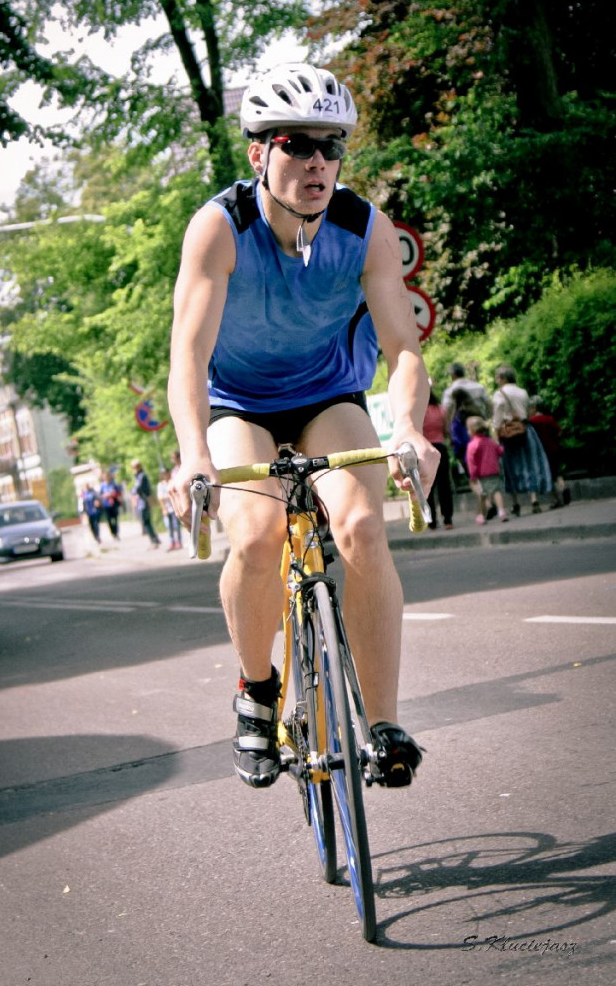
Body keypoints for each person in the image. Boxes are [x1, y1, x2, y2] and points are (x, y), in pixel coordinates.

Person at [167, 62, 439, 791]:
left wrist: (410, 428)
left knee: (362, 527)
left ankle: (381, 723)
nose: (317, 161)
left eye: (332, 145)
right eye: (297, 143)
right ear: (260, 152)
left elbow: (403, 348)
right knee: (254, 537)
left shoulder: (365, 228)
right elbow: (188, 360)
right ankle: (257, 692)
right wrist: (192, 454)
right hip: (240, 404)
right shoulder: (220, 229)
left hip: (327, 395)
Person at [492, 365, 552, 515]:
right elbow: (525, 410)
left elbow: (498, 414)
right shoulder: (522, 391)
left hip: (509, 432)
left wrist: (496, 431)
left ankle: (515, 503)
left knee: (511, 467)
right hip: (525, 429)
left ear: (503, 378)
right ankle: (534, 499)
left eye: (498, 377)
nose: (496, 380)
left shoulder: (499, 394)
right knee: (530, 464)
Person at [528, 396, 571, 509]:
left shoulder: (531, 421)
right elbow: (559, 432)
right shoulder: (549, 419)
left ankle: (556, 500)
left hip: (541, 452)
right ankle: (564, 486)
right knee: (556, 473)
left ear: (534, 407)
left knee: (547, 476)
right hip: (554, 449)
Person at [465, 416, 509, 523]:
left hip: (481, 474)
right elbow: (500, 452)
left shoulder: (472, 445)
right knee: (496, 492)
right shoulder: (490, 441)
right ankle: (502, 511)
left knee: (482, 495)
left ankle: (482, 516)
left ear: (471, 430)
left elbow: (471, 462)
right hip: (494, 471)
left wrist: (473, 476)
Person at [423, 387, 454, 530]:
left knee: (427, 486)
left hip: (424, 450)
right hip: (440, 449)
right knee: (444, 486)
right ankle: (448, 519)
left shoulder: (419, 412)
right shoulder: (442, 410)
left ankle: (431, 521)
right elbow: (447, 432)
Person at [449, 387, 481, 476]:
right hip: (480, 447)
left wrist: (456, 451)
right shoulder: (476, 411)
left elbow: (456, 435)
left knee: (473, 477)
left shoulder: (458, 416)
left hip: (465, 451)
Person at [131, 459, 160, 548]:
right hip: (141, 502)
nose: (134, 469)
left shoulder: (141, 476)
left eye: (136, 467)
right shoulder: (138, 476)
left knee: (146, 522)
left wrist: (133, 491)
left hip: (144, 502)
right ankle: (154, 539)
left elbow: (138, 488)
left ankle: (154, 540)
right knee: (146, 522)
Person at [157, 468, 183, 550]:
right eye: (163, 474)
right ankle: (172, 542)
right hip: (168, 508)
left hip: (175, 507)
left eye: (166, 473)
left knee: (177, 526)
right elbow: (160, 498)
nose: (165, 475)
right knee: (170, 527)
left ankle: (179, 541)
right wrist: (164, 509)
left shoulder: (173, 482)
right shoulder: (161, 485)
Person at [99, 469, 123, 540]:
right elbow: (100, 495)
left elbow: (118, 492)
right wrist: (105, 495)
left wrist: (114, 494)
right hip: (106, 504)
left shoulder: (113, 484)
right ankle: (113, 533)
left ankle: (116, 532)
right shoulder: (102, 485)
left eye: (107, 476)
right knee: (109, 520)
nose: (106, 478)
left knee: (115, 519)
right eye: (105, 477)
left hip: (114, 503)